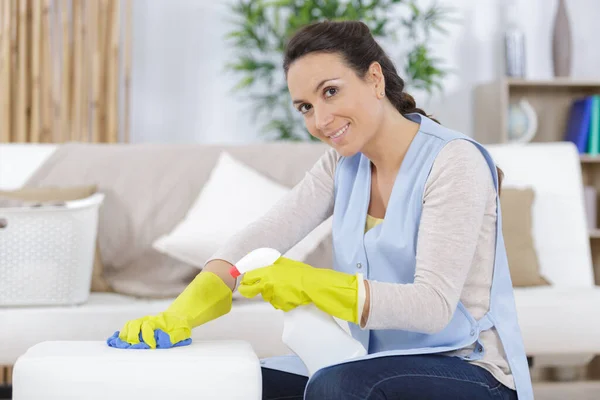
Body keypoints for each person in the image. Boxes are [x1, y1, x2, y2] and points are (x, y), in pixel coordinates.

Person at [112, 20, 533, 399]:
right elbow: (265, 234)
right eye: (306, 107)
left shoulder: (453, 161)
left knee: (340, 387)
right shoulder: (343, 163)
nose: (320, 119)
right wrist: (180, 313)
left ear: (373, 78)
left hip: (470, 371)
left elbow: (432, 306)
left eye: (330, 91)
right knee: (240, 382)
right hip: (369, 362)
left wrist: (310, 283)